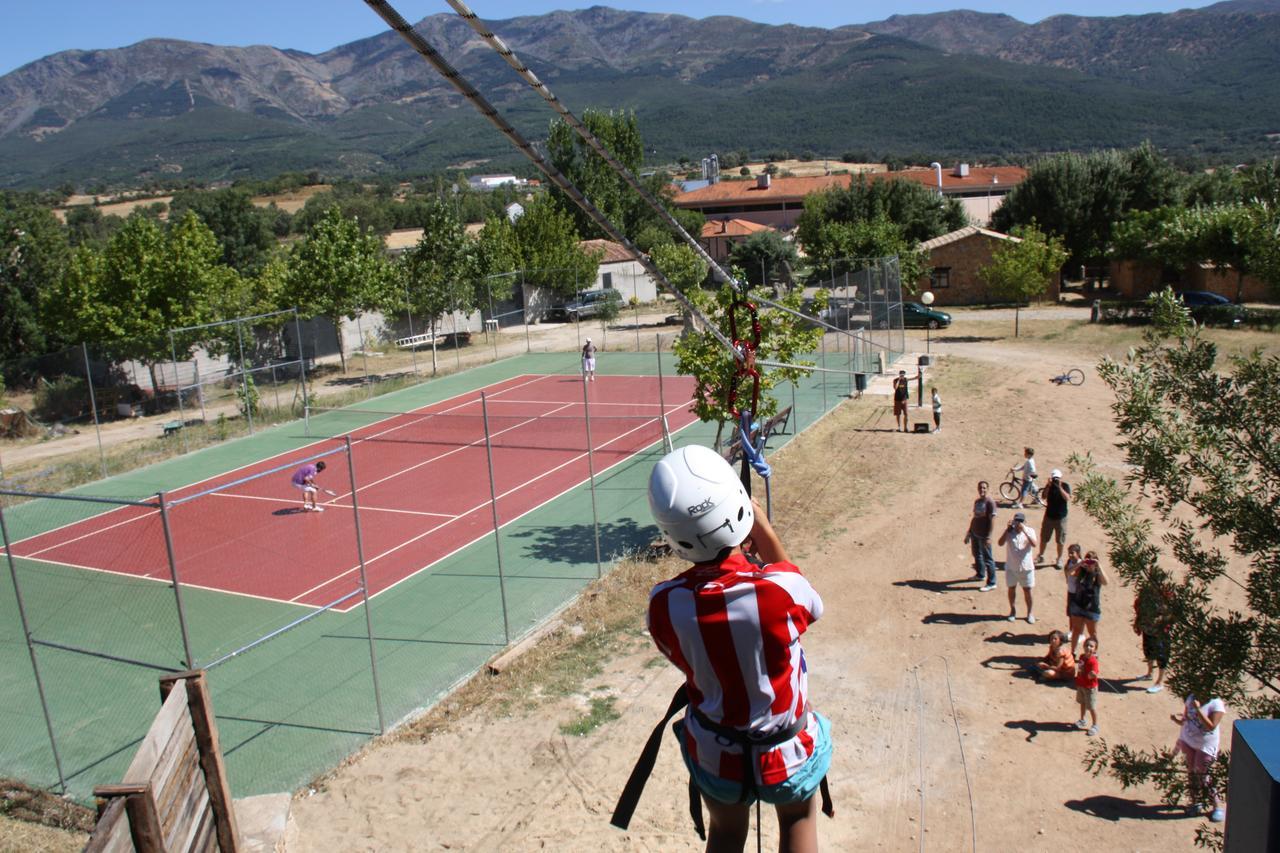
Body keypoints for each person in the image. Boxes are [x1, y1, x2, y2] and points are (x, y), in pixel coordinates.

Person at [646, 444, 832, 852]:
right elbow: (807, 601)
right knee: (798, 818)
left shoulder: (664, 604)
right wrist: (764, 531)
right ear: (739, 510)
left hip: (717, 754)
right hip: (785, 750)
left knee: (726, 832)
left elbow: (680, 655)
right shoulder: (779, 591)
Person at [1173, 693, 1227, 823]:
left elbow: (1211, 726)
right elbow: (1186, 718)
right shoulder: (1191, 697)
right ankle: (1195, 802)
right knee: (1191, 773)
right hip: (1188, 740)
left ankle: (1216, 806)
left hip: (1206, 745)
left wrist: (1198, 709)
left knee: (1204, 776)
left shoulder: (1216, 703)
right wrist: (1177, 721)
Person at [1134, 580, 1174, 694]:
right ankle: (1149, 673)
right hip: (1148, 630)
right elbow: (1138, 610)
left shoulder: (1166, 598)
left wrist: (1160, 621)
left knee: (1161, 657)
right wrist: (1138, 624)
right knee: (1148, 652)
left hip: (1160, 634)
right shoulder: (1145, 597)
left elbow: (1170, 615)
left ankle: (1159, 682)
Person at [997, 510, 1039, 623]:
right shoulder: (1009, 533)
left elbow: (1034, 544)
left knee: (1027, 590)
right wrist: (1007, 530)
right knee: (1011, 589)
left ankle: (1030, 612)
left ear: (1024, 521)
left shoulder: (1030, 531)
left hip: (1026, 568)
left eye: (1020, 521)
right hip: (1011, 567)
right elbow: (1000, 543)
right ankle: (1012, 610)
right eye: (1017, 520)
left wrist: (1024, 530)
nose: (1018, 523)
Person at [1068, 551, 1109, 654]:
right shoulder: (1081, 570)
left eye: (1092, 562)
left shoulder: (1097, 574)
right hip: (1078, 605)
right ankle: (1073, 652)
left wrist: (1098, 566)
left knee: (1092, 633)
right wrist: (1080, 563)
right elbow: (1068, 572)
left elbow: (1106, 582)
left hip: (1092, 608)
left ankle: (1093, 653)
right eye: (1088, 561)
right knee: (1076, 630)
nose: (1089, 564)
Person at [964, 480, 998, 591]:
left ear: (988, 489)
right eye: (980, 488)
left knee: (988, 559)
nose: (982, 490)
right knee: (976, 554)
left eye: (984, 488)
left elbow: (992, 519)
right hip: (975, 533)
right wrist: (969, 532)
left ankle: (992, 582)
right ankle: (980, 574)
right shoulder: (977, 501)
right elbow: (975, 517)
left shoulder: (990, 502)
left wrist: (989, 536)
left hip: (984, 535)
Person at [1037, 469, 1071, 568]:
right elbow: (1043, 497)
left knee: (1060, 540)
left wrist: (1060, 487)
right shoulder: (1049, 486)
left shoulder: (1065, 486)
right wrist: (1048, 485)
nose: (1056, 480)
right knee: (1044, 537)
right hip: (1049, 517)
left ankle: (1059, 558)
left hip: (1061, 518)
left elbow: (1067, 498)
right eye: (1054, 478)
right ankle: (1041, 555)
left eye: (1057, 478)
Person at [1074, 637, 1101, 736]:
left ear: (1095, 649)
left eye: (1091, 646)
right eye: (1086, 645)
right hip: (1081, 685)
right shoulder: (1081, 657)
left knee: (1091, 707)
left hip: (1090, 688)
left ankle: (1095, 725)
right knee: (1082, 703)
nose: (1088, 647)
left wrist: (1093, 674)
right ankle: (1082, 720)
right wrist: (1078, 679)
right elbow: (1080, 669)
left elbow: (1094, 672)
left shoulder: (1093, 661)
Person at [1062, 544, 1084, 652]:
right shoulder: (1071, 563)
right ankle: (1071, 631)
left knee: (1079, 615)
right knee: (1071, 613)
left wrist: (1080, 564)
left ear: (1078, 553)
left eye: (1072, 553)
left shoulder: (1082, 565)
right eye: (1069, 553)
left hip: (1079, 593)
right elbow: (1067, 572)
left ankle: (1080, 633)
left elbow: (1074, 573)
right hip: (1071, 591)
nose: (1070, 555)